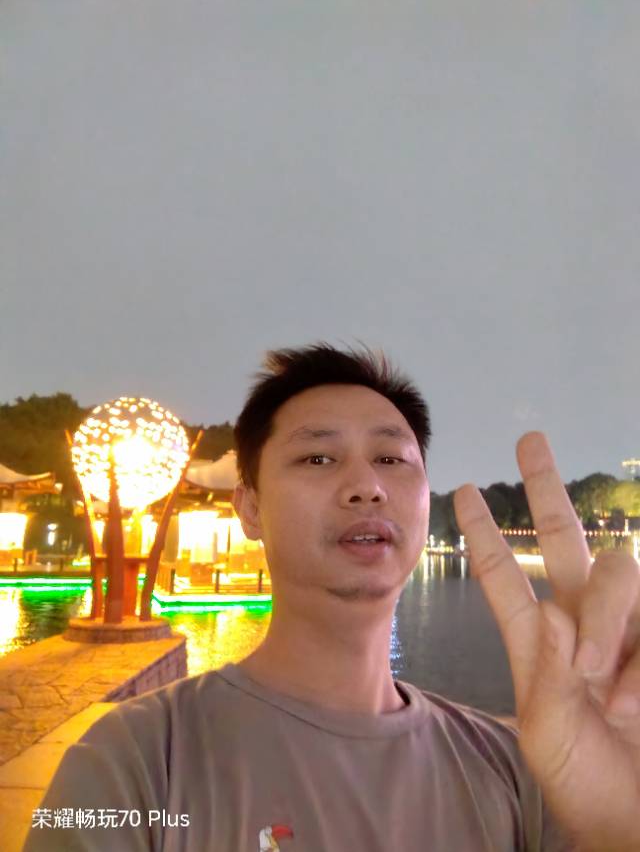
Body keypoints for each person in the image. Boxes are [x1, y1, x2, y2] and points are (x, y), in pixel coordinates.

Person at [23, 342, 640, 852]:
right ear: (250, 507)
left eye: (391, 458)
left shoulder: (523, 773)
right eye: (317, 457)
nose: (366, 486)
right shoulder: (128, 764)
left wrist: (621, 821)